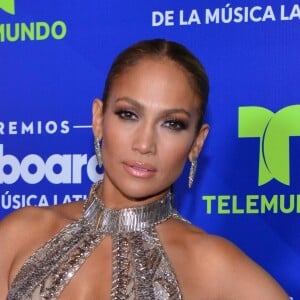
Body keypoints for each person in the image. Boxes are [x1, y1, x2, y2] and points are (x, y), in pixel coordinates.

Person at [0, 39, 289, 299]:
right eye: (128, 115)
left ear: (196, 143)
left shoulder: (213, 265)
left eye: (172, 123)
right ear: (99, 119)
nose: (144, 144)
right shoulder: (18, 234)